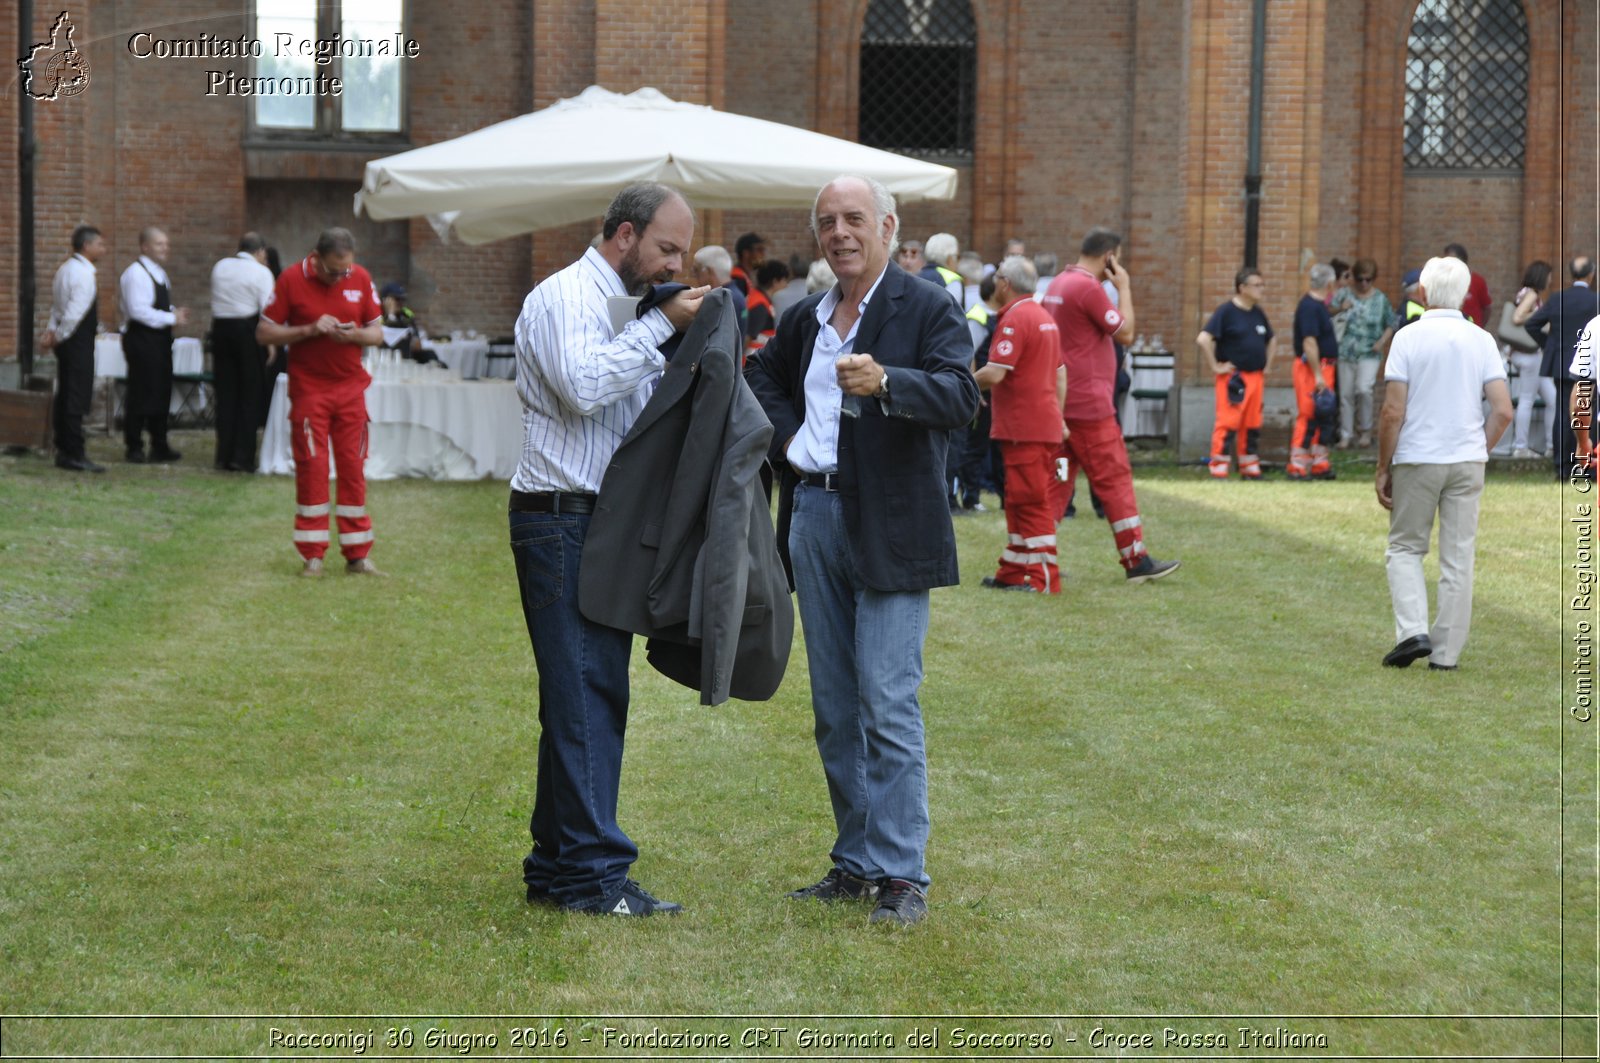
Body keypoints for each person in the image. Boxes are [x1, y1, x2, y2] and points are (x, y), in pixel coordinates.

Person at [749, 174, 979, 926]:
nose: (839, 232)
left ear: (887, 226)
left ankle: (902, 873)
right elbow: (760, 376)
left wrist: (888, 382)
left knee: (886, 699)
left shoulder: (926, 305)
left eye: (853, 219)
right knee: (834, 708)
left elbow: (961, 397)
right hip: (813, 514)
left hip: (891, 518)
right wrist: (787, 439)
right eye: (826, 222)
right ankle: (855, 860)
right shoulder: (806, 316)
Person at [507, 181, 707, 916]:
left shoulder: (622, 304)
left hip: (593, 521)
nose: (674, 265)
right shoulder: (565, 297)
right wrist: (662, 328)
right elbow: (585, 386)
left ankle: (557, 864)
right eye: (667, 248)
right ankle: (593, 876)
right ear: (624, 235)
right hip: (560, 519)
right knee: (587, 694)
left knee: (581, 693)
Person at [1375, 255, 1512, 670]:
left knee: (1404, 547)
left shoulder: (1408, 338)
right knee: (1458, 557)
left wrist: (1384, 466)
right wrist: (1479, 448)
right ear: (1466, 294)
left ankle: (1412, 630)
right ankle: (1447, 653)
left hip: (1418, 456)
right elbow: (1503, 410)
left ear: (1422, 293)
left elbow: (1393, 411)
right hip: (1466, 457)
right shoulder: (1481, 339)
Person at [1042, 228, 1179, 582]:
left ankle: (1038, 555)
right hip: (1090, 408)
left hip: (1062, 405)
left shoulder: (1058, 283)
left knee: (1058, 479)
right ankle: (1136, 559)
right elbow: (1127, 333)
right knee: (1113, 478)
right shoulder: (1088, 287)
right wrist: (1125, 289)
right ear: (1110, 257)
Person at [255, 228, 386, 578]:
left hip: (350, 390)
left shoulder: (360, 278)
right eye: (332, 271)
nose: (340, 277)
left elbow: (377, 333)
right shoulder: (290, 280)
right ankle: (313, 554)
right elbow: (264, 332)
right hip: (310, 389)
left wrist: (352, 335)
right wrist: (309, 329)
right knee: (312, 467)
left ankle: (357, 555)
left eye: (345, 270)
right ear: (315, 257)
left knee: (353, 468)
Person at [973, 256, 1064, 592]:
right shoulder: (1043, 317)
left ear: (1005, 284)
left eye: (996, 276)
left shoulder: (1015, 318)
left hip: (1024, 427)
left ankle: (1043, 579)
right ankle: (1011, 571)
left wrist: (960, 385)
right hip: (1038, 424)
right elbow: (1059, 373)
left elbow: (995, 371)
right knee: (1017, 498)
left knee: (1030, 500)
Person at [119, 226, 190, 463]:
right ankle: (134, 446)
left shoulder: (160, 273)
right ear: (145, 246)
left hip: (159, 340)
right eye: (160, 244)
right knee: (141, 391)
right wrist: (171, 318)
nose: (165, 248)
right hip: (142, 339)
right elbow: (138, 310)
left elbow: (156, 306)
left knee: (161, 390)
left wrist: (174, 313)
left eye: (166, 244)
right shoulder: (135, 274)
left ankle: (159, 444)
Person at [40, 224, 107, 472]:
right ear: (86, 246)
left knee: (67, 392)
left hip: (67, 342)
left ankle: (63, 448)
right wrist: (59, 335)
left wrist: (51, 332)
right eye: (100, 244)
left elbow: (57, 308)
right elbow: (73, 314)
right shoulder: (83, 274)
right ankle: (74, 452)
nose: (103, 249)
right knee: (75, 396)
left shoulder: (65, 269)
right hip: (76, 342)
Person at [1198, 267, 1276, 478]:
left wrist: (1267, 365)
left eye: (1262, 285)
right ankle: (1219, 467)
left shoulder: (1258, 313)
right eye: (1257, 285)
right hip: (1235, 379)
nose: (1261, 289)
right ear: (1242, 288)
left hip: (1256, 377)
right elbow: (1203, 339)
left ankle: (1249, 467)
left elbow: (1272, 339)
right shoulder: (1226, 312)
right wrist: (1216, 366)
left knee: (1252, 423)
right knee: (1228, 422)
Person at [1525, 255, 1598, 479]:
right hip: (1590, 365)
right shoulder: (1595, 300)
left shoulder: (1557, 298)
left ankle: (1561, 467)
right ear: (1591, 274)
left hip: (1561, 363)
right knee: (1587, 414)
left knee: (1562, 416)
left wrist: (1550, 346)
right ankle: (1585, 468)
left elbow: (1532, 323)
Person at [209, 232, 275, 472]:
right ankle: (242, 456)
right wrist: (270, 345)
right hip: (247, 331)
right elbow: (268, 309)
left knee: (225, 394)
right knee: (249, 394)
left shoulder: (220, 266)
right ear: (260, 252)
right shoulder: (261, 272)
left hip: (220, 329)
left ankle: (223, 454)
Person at [1329, 258, 1396, 449]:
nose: (1364, 283)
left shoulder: (1380, 299)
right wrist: (1340, 308)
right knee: (1346, 394)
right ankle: (1346, 434)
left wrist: (1381, 342)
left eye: (1369, 279)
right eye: (1360, 279)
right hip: (1345, 351)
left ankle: (1365, 430)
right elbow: (1327, 312)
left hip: (1370, 352)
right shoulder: (1344, 294)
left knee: (1363, 389)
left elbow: (1391, 322)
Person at [1287, 263, 1340, 480]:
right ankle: (1298, 465)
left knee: (1323, 414)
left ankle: (1319, 463)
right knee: (1309, 413)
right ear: (1329, 284)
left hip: (1323, 367)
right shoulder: (1309, 307)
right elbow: (1309, 342)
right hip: (1313, 369)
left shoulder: (1318, 306)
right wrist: (1318, 374)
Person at [1506, 260, 1554, 458]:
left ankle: (1552, 445)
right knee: (1527, 400)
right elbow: (1517, 317)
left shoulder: (1524, 292)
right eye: (1549, 275)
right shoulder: (1532, 294)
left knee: (1553, 399)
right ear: (1542, 276)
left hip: (1528, 355)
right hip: (1529, 355)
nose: (1551, 279)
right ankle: (1521, 447)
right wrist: (1539, 314)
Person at [692, 245, 748, 340]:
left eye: (696, 270)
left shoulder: (720, 300)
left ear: (709, 271)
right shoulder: (737, 295)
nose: (694, 276)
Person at [744, 259, 790, 356]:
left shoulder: (755, 297)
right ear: (775, 281)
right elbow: (748, 337)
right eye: (784, 280)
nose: (786, 285)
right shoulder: (760, 305)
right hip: (751, 363)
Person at [1443, 243, 1492, 327]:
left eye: (1451, 261)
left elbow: (1487, 308)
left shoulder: (1478, 281)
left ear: (1462, 262)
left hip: (1472, 331)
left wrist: (1479, 327)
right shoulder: (1443, 281)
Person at [921, 232, 964, 306]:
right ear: (950, 258)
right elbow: (953, 313)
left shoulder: (917, 275)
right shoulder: (952, 280)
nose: (958, 262)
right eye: (958, 257)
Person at [731, 231, 766, 296]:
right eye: (759, 250)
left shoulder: (744, 276)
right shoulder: (737, 278)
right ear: (746, 253)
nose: (763, 254)